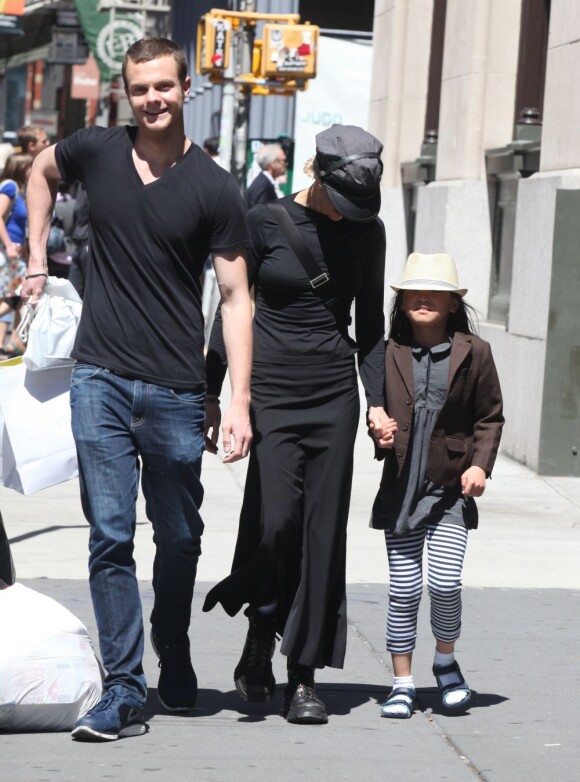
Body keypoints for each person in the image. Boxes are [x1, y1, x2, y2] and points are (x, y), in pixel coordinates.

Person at [21, 36, 253, 742]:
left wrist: (238, 398)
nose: (152, 99)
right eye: (140, 89)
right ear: (128, 93)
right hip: (100, 378)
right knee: (111, 535)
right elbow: (39, 170)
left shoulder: (215, 186)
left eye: (164, 87)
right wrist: (35, 259)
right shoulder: (95, 149)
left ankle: (172, 639)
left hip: (179, 389)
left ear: (187, 88)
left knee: (179, 535)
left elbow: (237, 296)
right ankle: (124, 686)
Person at [203, 124, 396, 725]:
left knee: (321, 535)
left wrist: (376, 401)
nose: (347, 217)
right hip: (271, 390)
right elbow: (233, 308)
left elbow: (369, 329)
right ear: (316, 172)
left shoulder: (368, 231)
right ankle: (260, 627)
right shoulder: (263, 221)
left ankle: (302, 676)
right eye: (341, 203)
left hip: (333, 393)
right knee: (275, 523)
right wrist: (214, 394)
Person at [369, 252, 504, 720]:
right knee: (404, 590)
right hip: (402, 490)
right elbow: (376, 411)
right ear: (402, 301)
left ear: (451, 303)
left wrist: (481, 467)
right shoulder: (387, 353)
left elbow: (490, 416)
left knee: (445, 584)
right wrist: (378, 431)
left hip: (449, 490)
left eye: (435, 292)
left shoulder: (475, 352)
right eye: (414, 292)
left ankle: (445, 663)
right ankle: (401, 682)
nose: (423, 298)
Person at [0, 153, 32, 357]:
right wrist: (10, 246)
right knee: (18, 296)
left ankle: (14, 343)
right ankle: (17, 343)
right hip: (5, 253)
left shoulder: (21, 191)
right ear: (21, 168)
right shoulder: (10, 186)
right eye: (30, 167)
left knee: (15, 296)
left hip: (15, 254)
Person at [244, 143, 287, 209]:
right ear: (273, 163)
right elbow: (262, 216)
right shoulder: (264, 187)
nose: (286, 164)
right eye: (283, 161)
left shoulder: (265, 182)